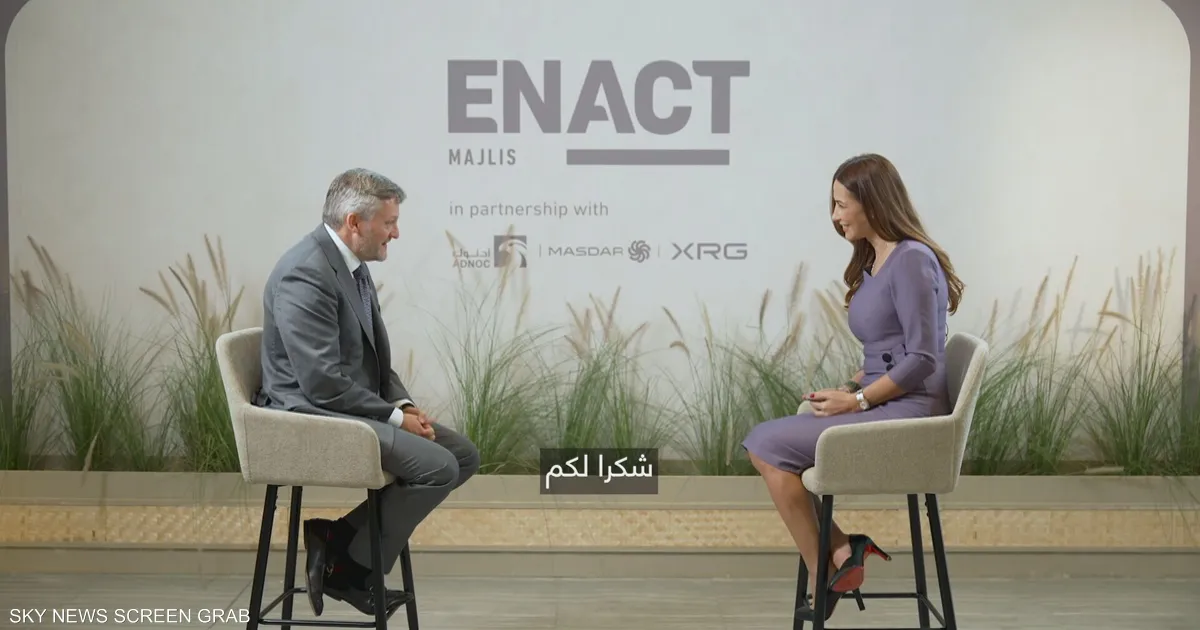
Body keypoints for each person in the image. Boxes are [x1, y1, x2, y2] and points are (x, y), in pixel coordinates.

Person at [741, 153, 964, 622]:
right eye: (834, 204)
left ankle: (827, 568)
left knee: (765, 444)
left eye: (842, 204)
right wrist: (847, 387)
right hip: (889, 402)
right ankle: (842, 551)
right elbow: (887, 353)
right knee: (767, 446)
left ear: (873, 201)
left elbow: (923, 358)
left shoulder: (911, 260)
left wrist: (858, 401)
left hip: (913, 414)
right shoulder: (878, 259)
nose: (835, 215)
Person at [255, 168, 481, 617]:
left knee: (463, 456)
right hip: (307, 415)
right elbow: (321, 383)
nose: (396, 233)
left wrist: (403, 404)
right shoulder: (306, 273)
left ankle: (337, 542)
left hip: (345, 406)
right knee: (438, 468)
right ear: (354, 222)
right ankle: (350, 569)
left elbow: (373, 361)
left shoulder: (350, 266)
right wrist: (395, 420)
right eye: (389, 223)